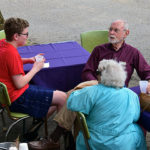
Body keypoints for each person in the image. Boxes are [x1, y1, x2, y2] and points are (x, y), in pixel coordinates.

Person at [28, 19, 150, 149]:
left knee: (74, 95)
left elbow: (147, 72)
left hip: (119, 91)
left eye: (115, 30)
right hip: (98, 85)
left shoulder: (133, 52)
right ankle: (60, 139)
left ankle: (57, 138)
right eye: (110, 29)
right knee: (80, 97)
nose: (111, 32)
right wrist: (98, 83)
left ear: (126, 33)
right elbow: (87, 71)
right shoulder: (99, 50)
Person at [0, 17, 67, 148]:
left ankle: (33, 131)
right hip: (17, 97)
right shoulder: (11, 53)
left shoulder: (3, 44)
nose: (27, 36)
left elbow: (12, 62)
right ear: (16, 36)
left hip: (9, 95)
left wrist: (29, 59)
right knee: (63, 97)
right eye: (26, 34)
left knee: (53, 100)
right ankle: (54, 141)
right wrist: (36, 68)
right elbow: (19, 83)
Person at [67, 59, 147, 150]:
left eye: (97, 72)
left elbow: (71, 103)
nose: (96, 74)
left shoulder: (92, 91)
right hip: (123, 144)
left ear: (103, 76)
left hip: (94, 142)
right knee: (137, 130)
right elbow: (135, 117)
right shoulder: (131, 95)